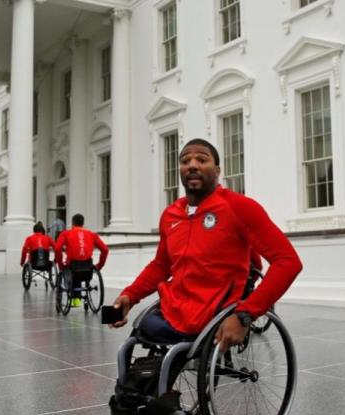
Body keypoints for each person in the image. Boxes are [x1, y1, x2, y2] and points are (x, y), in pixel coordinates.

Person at [109, 138, 302, 352]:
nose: (192, 165)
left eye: (202, 159)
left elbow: (288, 261)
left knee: (168, 356)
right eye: (185, 161)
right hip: (173, 309)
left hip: (213, 314)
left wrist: (245, 314)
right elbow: (161, 266)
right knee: (128, 347)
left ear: (217, 170)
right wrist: (129, 296)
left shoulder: (240, 207)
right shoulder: (170, 215)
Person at [54, 214, 109, 307]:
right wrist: (100, 265)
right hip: (87, 268)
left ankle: (74, 300)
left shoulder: (65, 233)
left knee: (68, 270)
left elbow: (57, 248)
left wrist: (60, 265)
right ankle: (77, 301)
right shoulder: (92, 234)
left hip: (72, 267)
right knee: (78, 269)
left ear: (72, 223)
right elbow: (105, 250)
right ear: (83, 223)